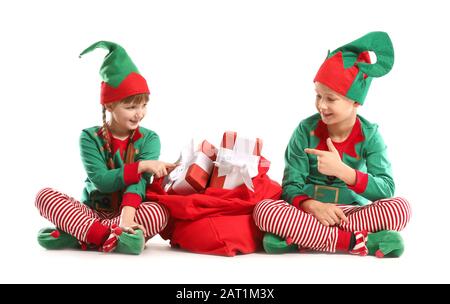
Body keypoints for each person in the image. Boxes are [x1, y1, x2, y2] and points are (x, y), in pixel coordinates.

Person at [253, 32, 411, 257]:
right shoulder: (304, 131)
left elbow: (386, 190)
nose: (321, 105)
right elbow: (290, 186)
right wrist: (312, 206)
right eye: (318, 96)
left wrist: (344, 172)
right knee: (264, 210)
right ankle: (355, 241)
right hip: (308, 211)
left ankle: (302, 237)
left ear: (355, 101)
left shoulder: (371, 136)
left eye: (331, 98)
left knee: (400, 209)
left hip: (352, 214)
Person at [35, 41, 176, 255]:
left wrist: (127, 219)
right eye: (130, 107)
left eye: (143, 105)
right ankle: (111, 238)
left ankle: (83, 236)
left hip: (131, 212)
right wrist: (141, 166)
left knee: (161, 212)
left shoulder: (150, 139)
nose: (139, 113)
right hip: (91, 213)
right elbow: (101, 180)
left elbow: (137, 184)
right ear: (109, 105)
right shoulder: (89, 137)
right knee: (44, 196)